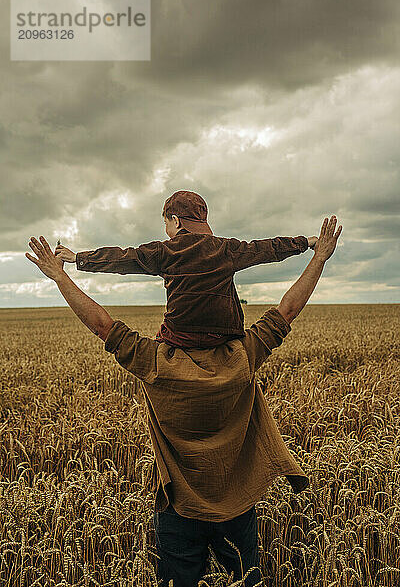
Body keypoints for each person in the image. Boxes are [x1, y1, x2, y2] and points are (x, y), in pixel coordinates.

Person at [26, 215, 342, 587]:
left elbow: (103, 325)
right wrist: (317, 256)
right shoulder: (243, 358)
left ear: (175, 221)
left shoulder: (156, 364)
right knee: (247, 579)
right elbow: (286, 311)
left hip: (178, 510)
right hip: (237, 509)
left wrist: (62, 275)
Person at [54, 190, 318, 349]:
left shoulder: (165, 251)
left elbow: (124, 258)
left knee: (159, 348)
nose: (166, 230)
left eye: (166, 223)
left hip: (180, 338)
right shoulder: (226, 249)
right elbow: (267, 248)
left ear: (176, 220)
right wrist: (305, 243)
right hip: (226, 337)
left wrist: (79, 258)